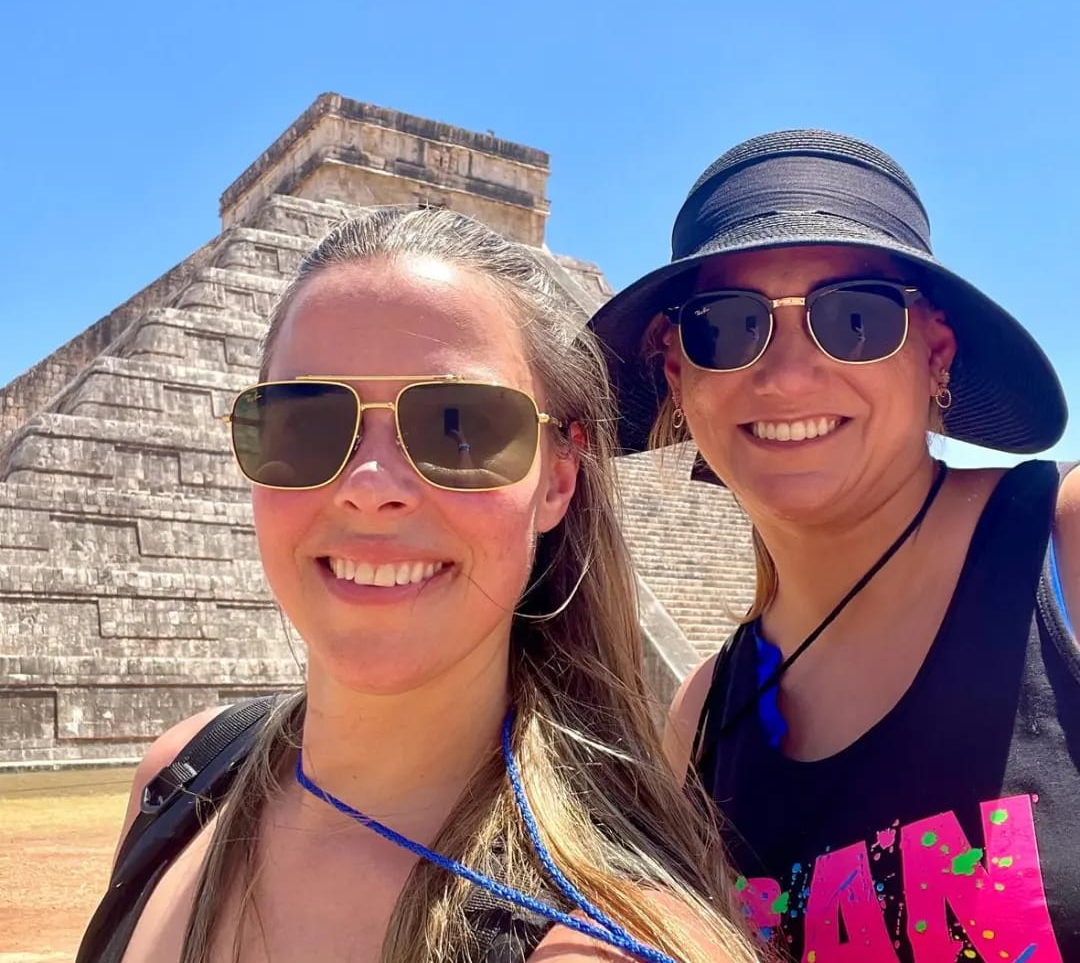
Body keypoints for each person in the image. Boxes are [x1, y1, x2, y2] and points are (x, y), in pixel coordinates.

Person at [78, 208, 760, 963]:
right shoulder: (183, 777)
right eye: (305, 421)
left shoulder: (595, 946)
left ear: (558, 476)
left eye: (458, 424)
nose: (370, 486)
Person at [589, 131, 1079, 960]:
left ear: (936, 353)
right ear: (678, 376)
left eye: (854, 319)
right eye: (727, 327)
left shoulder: (1063, 547)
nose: (786, 376)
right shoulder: (703, 721)